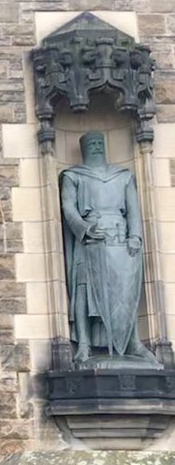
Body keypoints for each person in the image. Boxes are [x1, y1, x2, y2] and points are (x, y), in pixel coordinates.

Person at [61, 131, 158, 366]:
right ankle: (83, 344)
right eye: (90, 144)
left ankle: (132, 341)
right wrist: (85, 228)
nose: (95, 146)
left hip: (120, 239)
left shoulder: (123, 176)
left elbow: (133, 209)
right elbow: (68, 207)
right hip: (91, 240)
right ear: (84, 148)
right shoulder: (73, 176)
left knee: (126, 291)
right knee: (84, 290)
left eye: (98, 143)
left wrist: (134, 236)